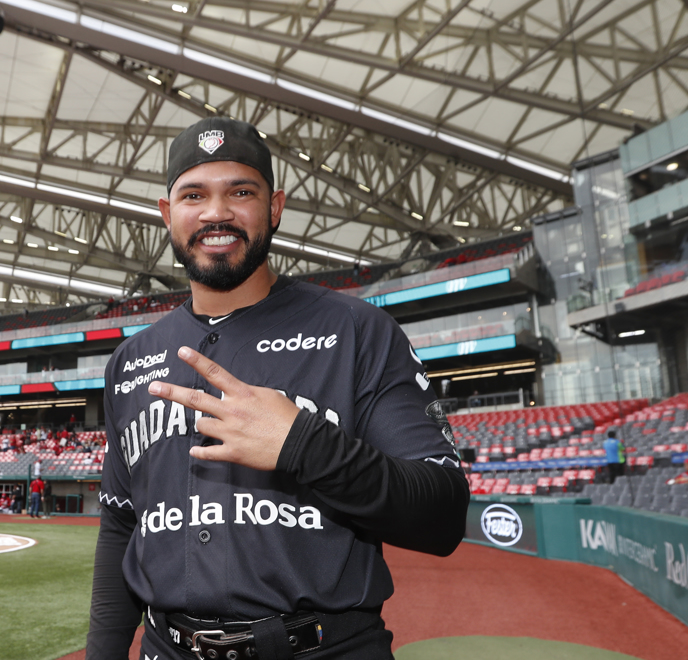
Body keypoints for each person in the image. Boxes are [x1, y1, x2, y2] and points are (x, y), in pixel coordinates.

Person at [87, 117, 469, 660]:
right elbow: (122, 524)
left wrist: (304, 445)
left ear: (275, 207)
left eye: (241, 191)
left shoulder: (357, 332)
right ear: (168, 214)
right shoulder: (129, 361)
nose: (216, 212)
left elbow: (443, 514)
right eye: (194, 194)